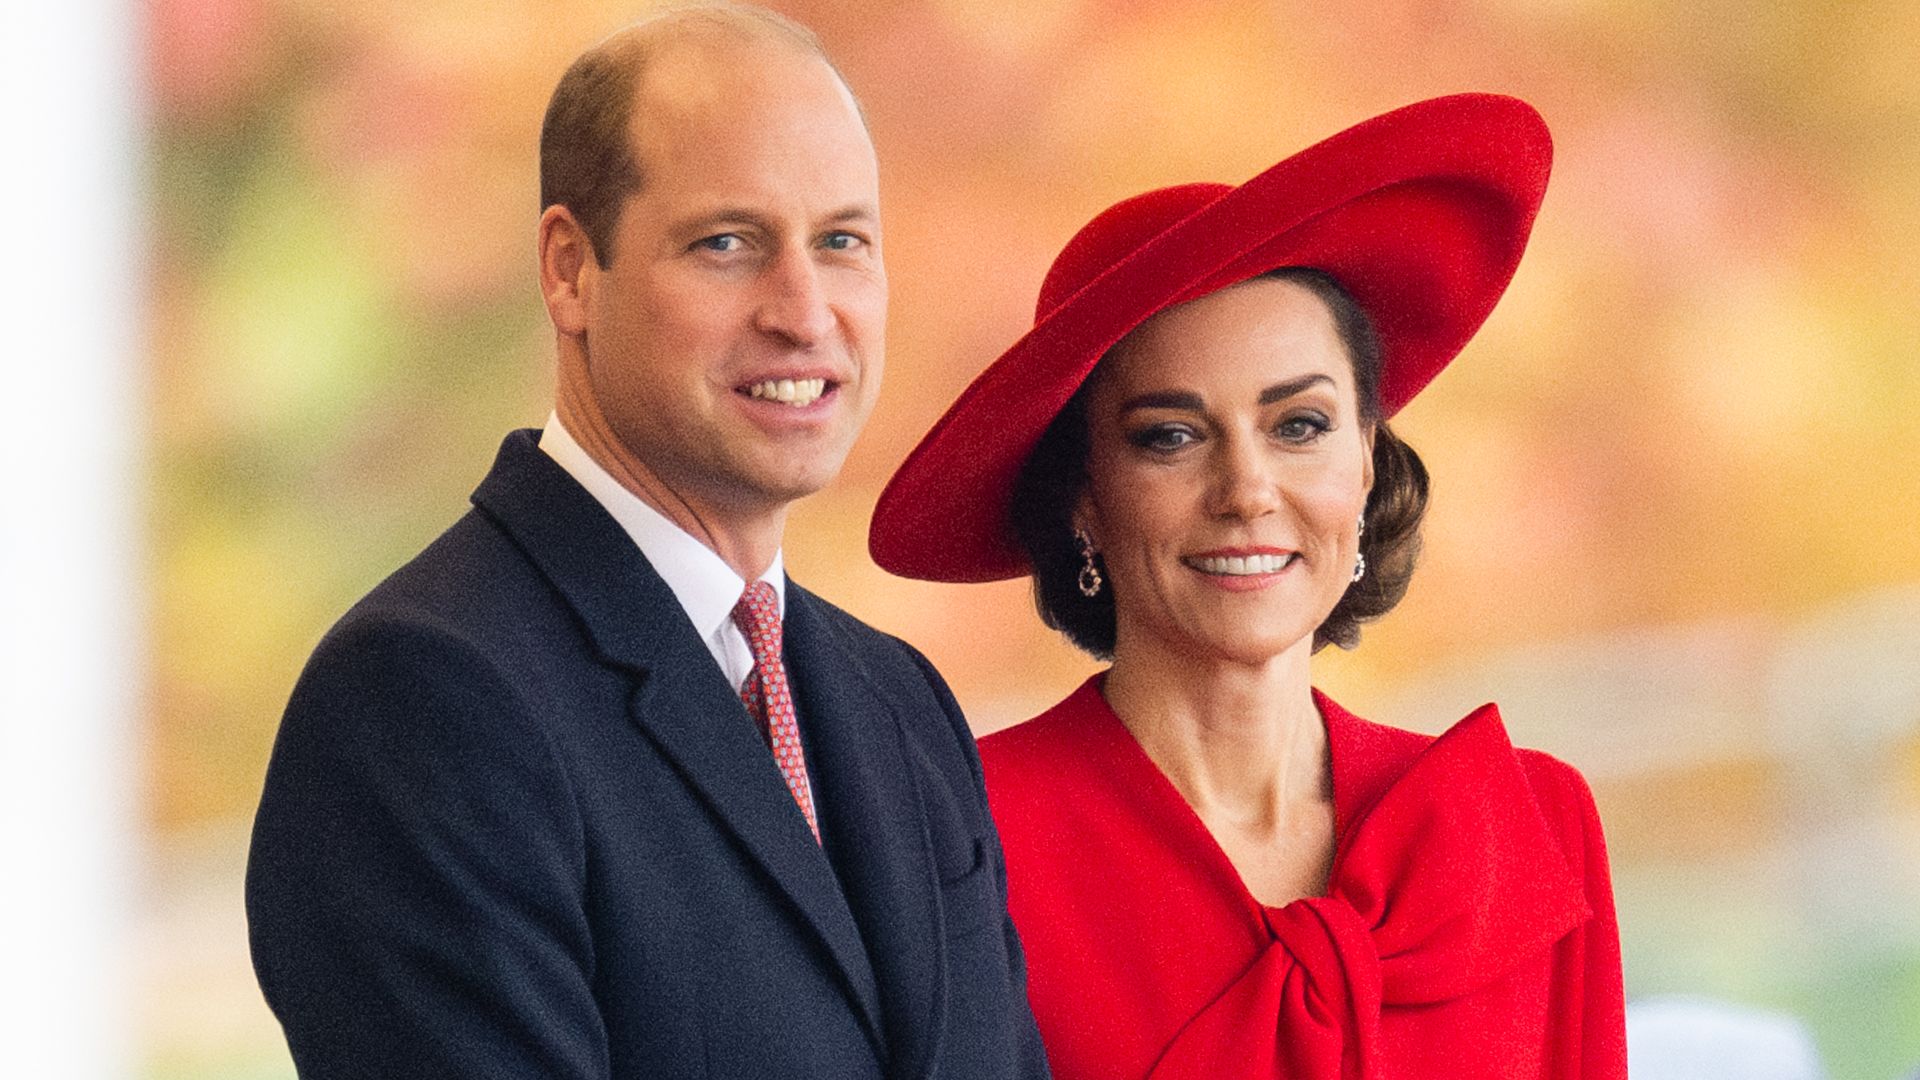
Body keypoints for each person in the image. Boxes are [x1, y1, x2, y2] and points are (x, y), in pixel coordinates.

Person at [246, 7, 1049, 1078]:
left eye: (842, 242)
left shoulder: (898, 702)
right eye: (729, 243)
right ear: (571, 271)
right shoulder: (424, 698)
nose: (806, 312)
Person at [869, 94, 1626, 1078]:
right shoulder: (953, 850)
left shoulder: (1524, 826)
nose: (1246, 491)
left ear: (1366, 461)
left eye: (1299, 426)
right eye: (1171, 436)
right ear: (1083, 498)